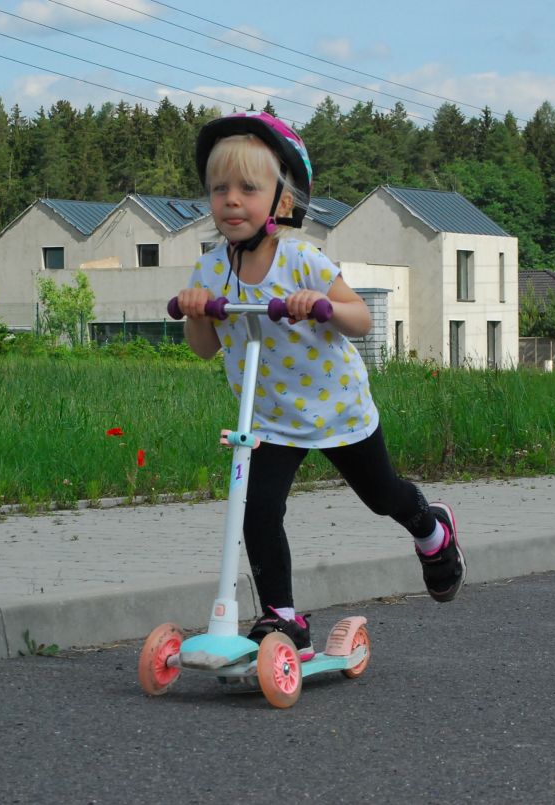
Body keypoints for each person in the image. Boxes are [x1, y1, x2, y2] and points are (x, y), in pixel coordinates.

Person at [176, 111, 465, 659]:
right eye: (219, 189)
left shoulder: (302, 259)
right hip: (269, 418)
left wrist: (322, 305)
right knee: (258, 509)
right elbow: (205, 347)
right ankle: (282, 618)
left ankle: (433, 531)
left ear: (282, 201)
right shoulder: (210, 270)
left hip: (336, 408)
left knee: (382, 496)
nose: (231, 200)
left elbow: (361, 319)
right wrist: (195, 312)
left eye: (247, 189)